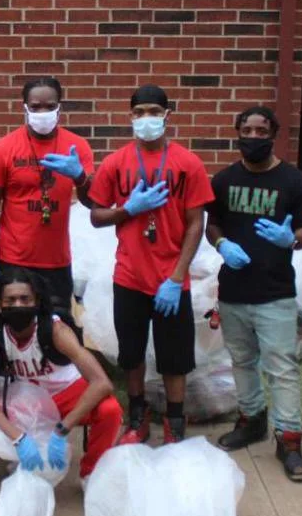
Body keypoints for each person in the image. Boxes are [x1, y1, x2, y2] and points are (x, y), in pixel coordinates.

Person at [89, 84, 214, 444]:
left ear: (167, 115)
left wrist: (177, 277)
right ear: (130, 116)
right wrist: (128, 209)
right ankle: (138, 417)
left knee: (175, 359)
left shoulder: (188, 163)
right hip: (129, 276)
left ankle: (175, 423)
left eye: (154, 112)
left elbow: (196, 223)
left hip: (172, 281)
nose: (147, 119)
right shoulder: (116, 162)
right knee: (131, 354)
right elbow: (97, 215)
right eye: (139, 112)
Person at [206, 106, 302, 482]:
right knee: (241, 360)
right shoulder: (223, 181)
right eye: (247, 130)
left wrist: (292, 239)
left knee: (282, 368)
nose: (253, 137)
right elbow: (213, 224)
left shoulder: (294, 181)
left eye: (261, 130)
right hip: (234, 289)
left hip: (275, 291)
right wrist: (221, 244)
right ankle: (252, 419)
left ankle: (289, 440)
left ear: (274, 134)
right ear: (237, 133)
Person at [0, 268, 123, 507]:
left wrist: (61, 430)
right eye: (10, 300)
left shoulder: (55, 331)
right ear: (0, 304)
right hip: (28, 399)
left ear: (37, 301)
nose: (18, 305)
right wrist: (18, 439)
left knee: (110, 410)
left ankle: (90, 473)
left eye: (25, 299)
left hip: (65, 393)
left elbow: (102, 383)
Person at [0, 77, 95, 309]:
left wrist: (80, 176)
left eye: (49, 106)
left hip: (57, 260)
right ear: (24, 107)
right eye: (35, 107)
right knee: (10, 330)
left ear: (59, 107)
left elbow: (92, 201)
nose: (42, 112)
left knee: (58, 331)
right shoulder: (3, 148)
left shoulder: (77, 146)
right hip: (13, 259)